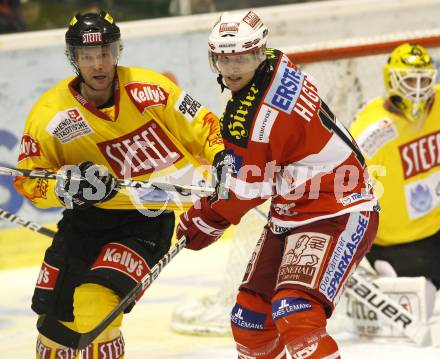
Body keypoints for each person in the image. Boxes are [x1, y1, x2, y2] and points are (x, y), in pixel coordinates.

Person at [13, 10, 223, 358]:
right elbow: (29, 179)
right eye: (88, 56)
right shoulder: (50, 115)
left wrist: (221, 157)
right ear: (74, 59)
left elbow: (205, 125)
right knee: (55, 329)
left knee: (96, 308)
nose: (98, 65)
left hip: (146, 220)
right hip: (84, 221)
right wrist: (64, 189)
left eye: (105, 54)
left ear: (117, 52)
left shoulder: (152, 90)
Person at [176, 9, 379, 359]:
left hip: (340, 209)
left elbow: (245, 191)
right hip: (293, 210)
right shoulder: (277, 63)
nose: (232, 68)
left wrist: (204, 218)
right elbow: (260, 169)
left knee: (296, 312)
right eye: (224, 59)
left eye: (240, 58)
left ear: (257, 53)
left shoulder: (256, 118)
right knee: (250, 319)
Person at [350, 44, 440, 289]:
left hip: (435, 230)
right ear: (392, 80)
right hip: (395, 246)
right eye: (410, 81)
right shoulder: (376, 128)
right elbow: (342, 183)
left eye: (424, 81)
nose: (419, 90)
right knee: (413, 310)